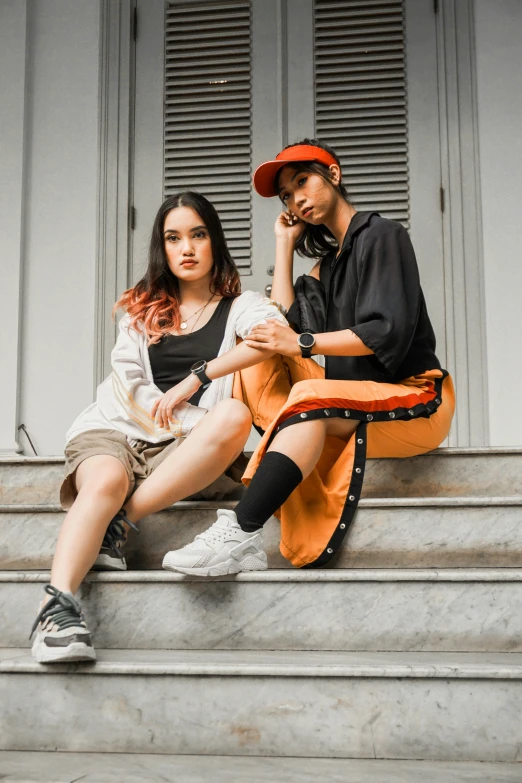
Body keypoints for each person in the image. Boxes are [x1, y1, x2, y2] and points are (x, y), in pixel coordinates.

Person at [162, 139, 455, 576]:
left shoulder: (383, 236)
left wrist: (301, 346)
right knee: (259, 356)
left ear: (333, 175)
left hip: (414, 399)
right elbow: (279, 324)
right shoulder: (327, 267)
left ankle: (240, 532)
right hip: (348, 400)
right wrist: (283, 244)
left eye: (303, 181)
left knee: (309, 390)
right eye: (286, 195)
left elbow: (383, 332)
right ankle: (290, 450)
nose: (296, 198)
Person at [30, 191, 287, 663]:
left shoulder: (240, 306)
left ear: (215, 243)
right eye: (173, 238)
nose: (186, 248)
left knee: (234, 416)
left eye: (198, 235)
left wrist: (198, 378)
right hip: (115, 431)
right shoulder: (141, 311)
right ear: (162, 249)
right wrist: (185, 414)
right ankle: (57, 606)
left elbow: (275, 336)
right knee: (105, 479)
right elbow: (130, 388)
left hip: (177, 448)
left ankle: (118, 524)